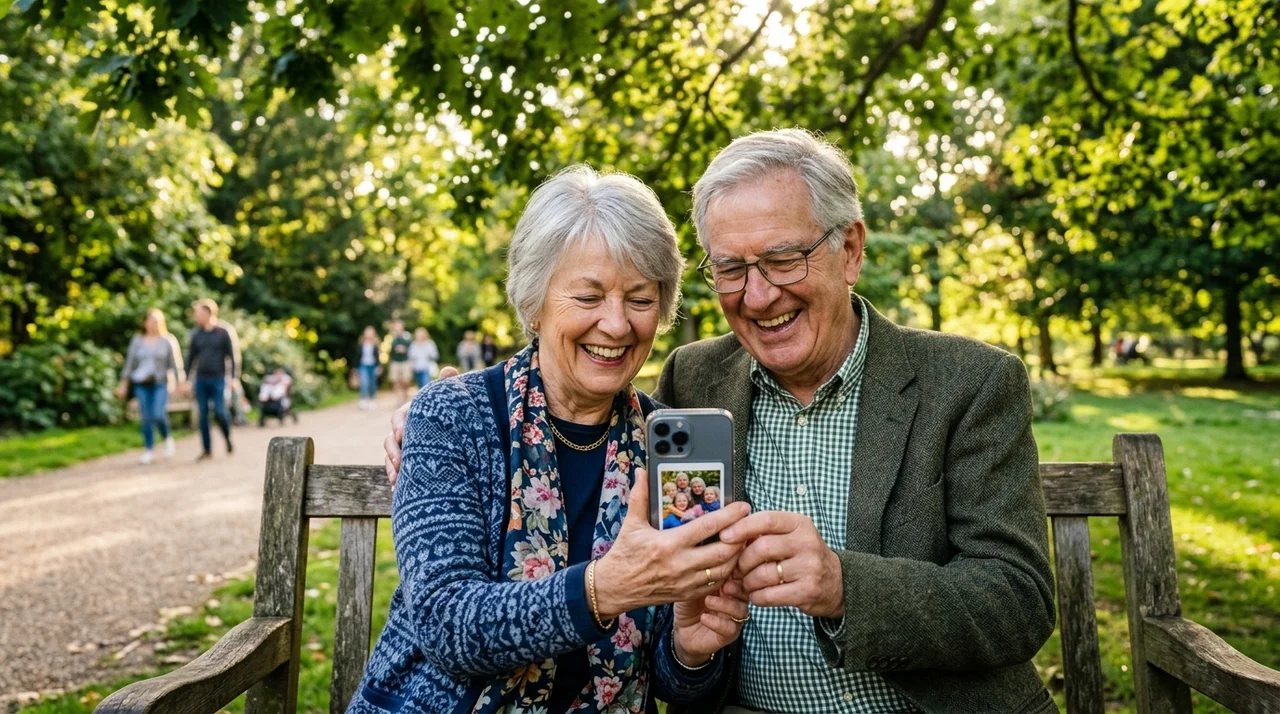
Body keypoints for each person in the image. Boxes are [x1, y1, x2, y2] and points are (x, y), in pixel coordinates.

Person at [385, 130, 1055, 713]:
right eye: (732, 268)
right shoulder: (690, 391)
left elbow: (1020, 597)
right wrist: (437, 413)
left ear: (850, 249)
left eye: (783, 259)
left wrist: (838, 589)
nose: (759, 295)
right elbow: (450, 618)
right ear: (534, 301)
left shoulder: (969, 383)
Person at [350, 165, 753, 714]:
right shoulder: (454, 416)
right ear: (534, 302)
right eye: (588, 296)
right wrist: (604, 589)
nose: (617, 325)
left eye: (640, 299)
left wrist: (689, 651)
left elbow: (673, 685)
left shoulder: (663, 443)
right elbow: (447, 624)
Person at [115, 308, 185, 464]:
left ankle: (167, 439)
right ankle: (149, 449)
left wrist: (180, 382)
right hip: (141, 383)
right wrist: (123, 384)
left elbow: (175, 364)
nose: (155, 324)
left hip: (161, 382)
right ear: (145, 323)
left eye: (158, 321)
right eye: (152, 321)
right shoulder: (137, 340)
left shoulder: (168, 340)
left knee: (158, 414)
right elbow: (129, 364)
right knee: (146, 417)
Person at [183, 298, 238, 461]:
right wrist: (186, 380)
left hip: (219, 378)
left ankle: (227, 437)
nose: (195, 316)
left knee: (220, 411)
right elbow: (191, 358)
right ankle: (207, 449)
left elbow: (232, 357)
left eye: (198, 313)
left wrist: (234, 378)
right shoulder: (196, 334)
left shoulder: (223, 332)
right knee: (203, 414)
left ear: (208, 313)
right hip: (201, 379)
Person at [387, 319, 414, 406]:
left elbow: (412, 348)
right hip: (395, 362)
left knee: (405, 381)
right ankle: (399, 400)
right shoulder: (391, 337)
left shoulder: (407, 336)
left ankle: (405, 398)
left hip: (405, 361)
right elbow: (389, 350)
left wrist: (405, 349)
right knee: (396, 381)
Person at [356, 326, 381, 410]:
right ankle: (363, 400)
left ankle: (372, 400)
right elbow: (357, 356)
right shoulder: (361, 343)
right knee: (364, 382)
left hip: (373, 366)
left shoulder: (375, 344)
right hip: (363, 365)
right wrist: (355, 368)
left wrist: (378, 366)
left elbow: (377, 356)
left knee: (372, 383)